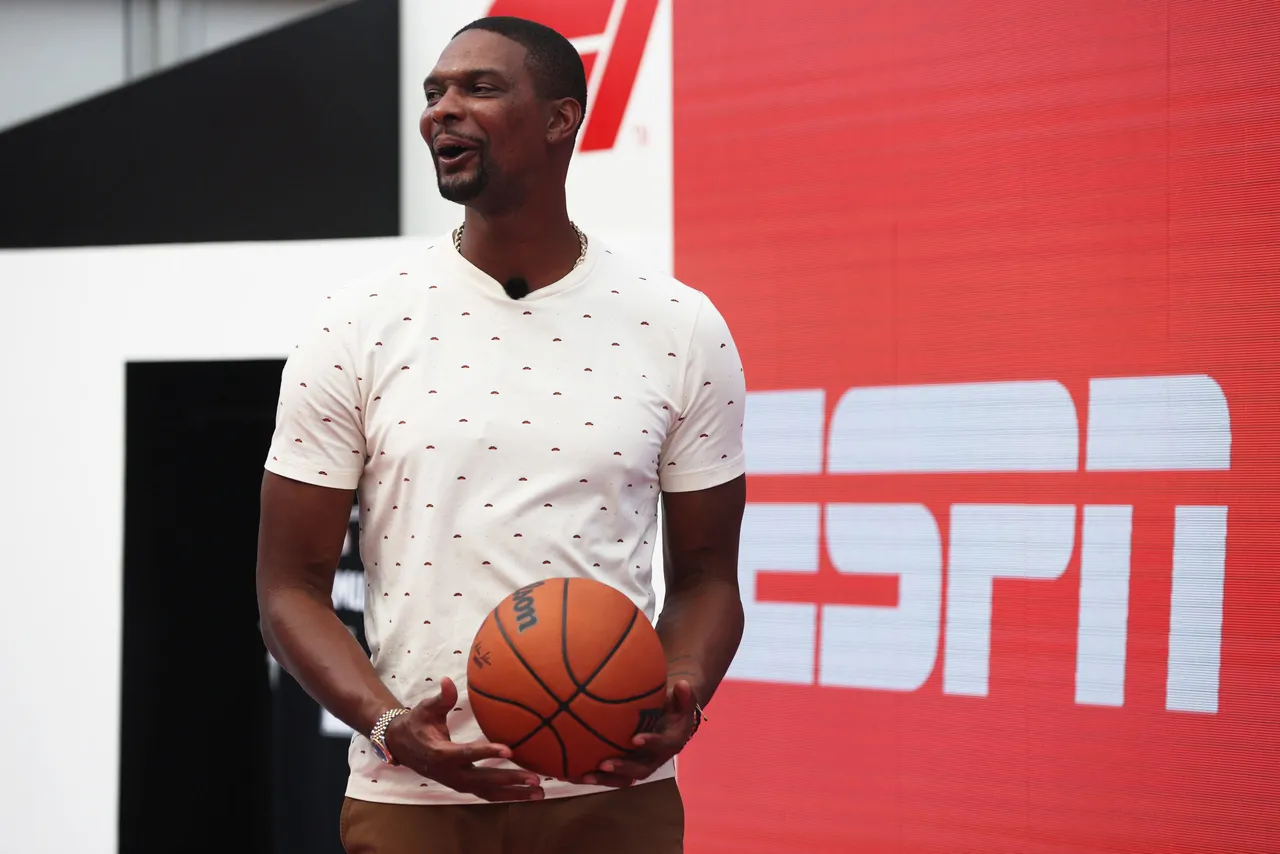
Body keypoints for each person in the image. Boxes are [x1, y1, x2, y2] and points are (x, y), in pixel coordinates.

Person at [255, 15, 746, 854]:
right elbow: (287, 589)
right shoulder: (357, 322)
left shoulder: (680, 325)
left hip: (610, 797)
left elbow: (706, 579)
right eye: (433, 92)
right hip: (410, 802)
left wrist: (684, 689)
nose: (442, 110)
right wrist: (387, 725)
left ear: (562, 119)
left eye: (478, 88)